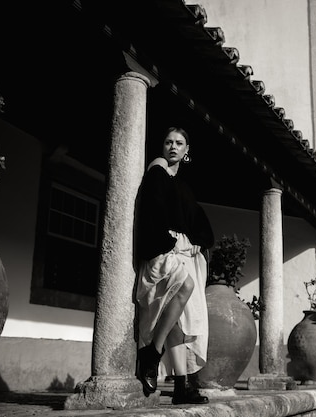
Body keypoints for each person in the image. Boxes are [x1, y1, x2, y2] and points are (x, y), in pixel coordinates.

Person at [134, 126, 214, 405]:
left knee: (179, 324)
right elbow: (152, 212)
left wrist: (197, 241)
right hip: (162, 251)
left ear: (187, 150)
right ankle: (153, 353)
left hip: (183, 254)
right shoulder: (157, 172)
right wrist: (167, 242)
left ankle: (181, 388)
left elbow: (199, 221)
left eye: (179, 143)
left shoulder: (183, 186)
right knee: (186, 287)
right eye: (168, 141)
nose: (173, 146)